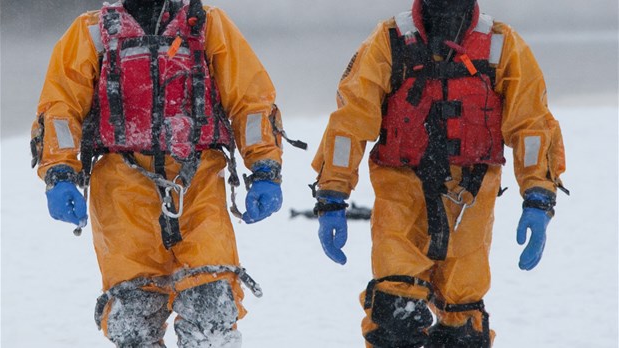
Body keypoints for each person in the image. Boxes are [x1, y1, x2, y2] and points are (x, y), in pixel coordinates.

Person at [30, 0, 293, 346]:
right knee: (134, 317)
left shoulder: (207, 25)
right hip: (122, 193)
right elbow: (61, 107)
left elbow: (250, 100)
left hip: (197, 183)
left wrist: (265, 165)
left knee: (211, 303)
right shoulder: (92, 32)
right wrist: (59, 172)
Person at [311, 0, 567, 347]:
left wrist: (538, 196)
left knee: (463, 320)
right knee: (392, 310)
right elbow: (351, 121)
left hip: (470, 202)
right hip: (402, 196)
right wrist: (332, 194)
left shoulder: (501, 45)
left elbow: (532, 125)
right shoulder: (390, 40)